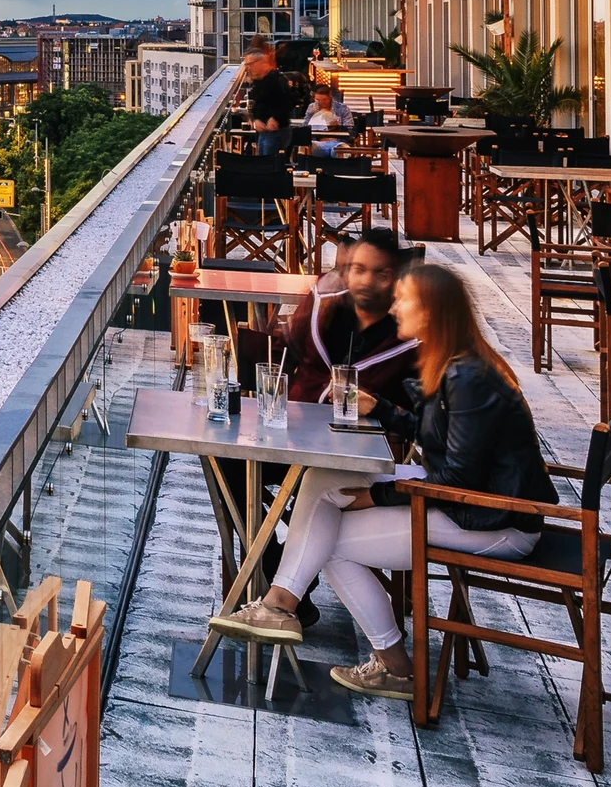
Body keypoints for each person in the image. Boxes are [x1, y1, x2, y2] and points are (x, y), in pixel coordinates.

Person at [209, 264, 555, 701]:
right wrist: (384, 410)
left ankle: (389, 664)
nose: (394, 306)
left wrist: (375, 496)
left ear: (430, 311)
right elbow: (441, 440)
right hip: (469, 500)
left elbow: (459, 477)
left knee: (329, 543)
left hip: (494, 518)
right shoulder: (453, 362)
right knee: (322, 476)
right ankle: (283, 606)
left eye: (404, 298)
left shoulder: (466, 376)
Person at [222, 229, 419, 618]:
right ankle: (275, 569)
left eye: (379, 273)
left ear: (395, 277)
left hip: (351, 457)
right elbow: (283, 353)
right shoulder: (324, 306)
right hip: (294, 435)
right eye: (358, 269)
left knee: (314, 486)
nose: (365, 280)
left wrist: (380, 409)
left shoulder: (409, 332)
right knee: (227, 464)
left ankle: (282, 586)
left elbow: (415, 415)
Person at [245, 44, 295, 157]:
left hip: (276, 131)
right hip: (264, 131)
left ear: (260, 62)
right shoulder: (258, 82)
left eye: (250, 64)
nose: (248, 68)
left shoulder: (277, 80)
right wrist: (255, 119)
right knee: (264, 163)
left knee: (269, 165)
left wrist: (275, 118)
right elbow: (256, 105)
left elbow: (288, 102)